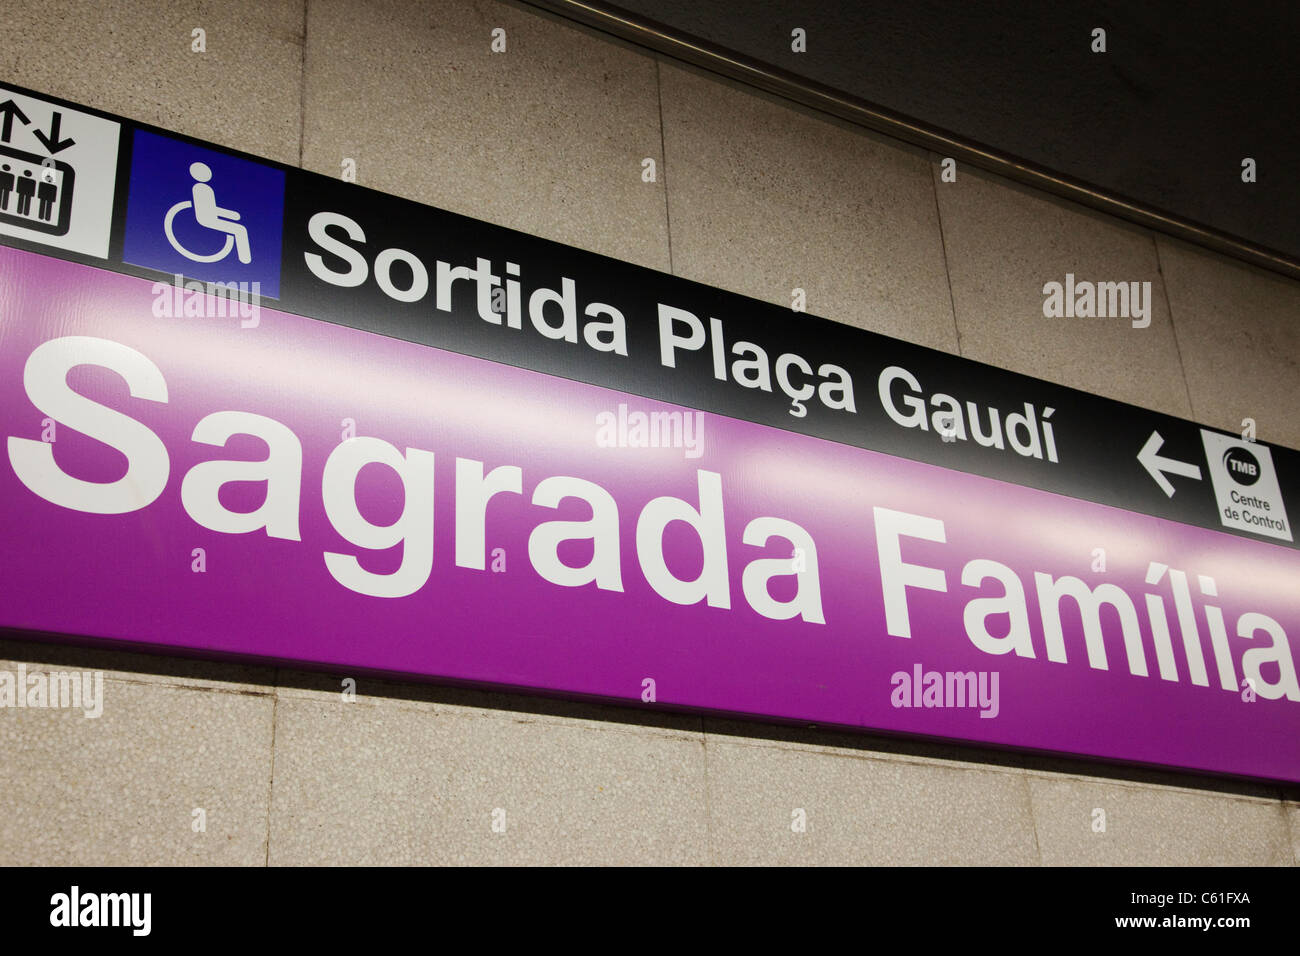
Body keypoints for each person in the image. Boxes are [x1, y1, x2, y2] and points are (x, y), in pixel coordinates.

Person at [187, 162, 250, 263]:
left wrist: (232, 215)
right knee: (240, 229)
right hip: (206, 219)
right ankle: (245, 260)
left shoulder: (206, 188)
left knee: (240, 229)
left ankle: (245, 260)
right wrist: (231, 215)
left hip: (211, 216)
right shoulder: (201, 189)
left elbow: (212, 208)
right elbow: (205, 209)